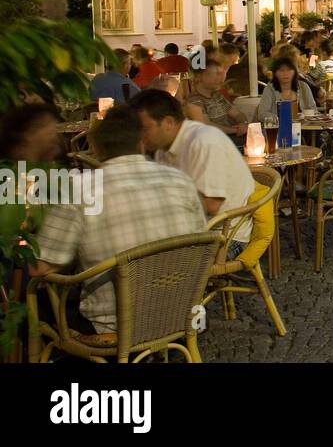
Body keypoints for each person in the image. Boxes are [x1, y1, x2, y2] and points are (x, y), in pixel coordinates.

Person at [29, 105, 207, 335]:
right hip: (184, 316)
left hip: (116, 328)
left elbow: (40, 267)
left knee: (35, 297)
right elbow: (201, 243)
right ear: (141, 144)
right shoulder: (180, 179)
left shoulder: (80, 189)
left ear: (94, 148)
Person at [134, 90, 255, 243]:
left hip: (224, 237)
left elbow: (211, 205)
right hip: (191, 232)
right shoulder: (162, 150)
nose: (140, 136)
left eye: (145, 129)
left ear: (168, 123)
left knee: (140, 261)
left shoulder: (204, 141)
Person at [185, 44, 247, 141]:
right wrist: (234, 130)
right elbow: (205, 125)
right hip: (215, 143)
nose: (221, 78)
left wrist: (243, 123)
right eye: (216, 74)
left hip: (229, 139)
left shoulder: (216, 96)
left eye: (221, 73)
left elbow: (237, 114)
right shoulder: (194, 101)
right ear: (199, 76)